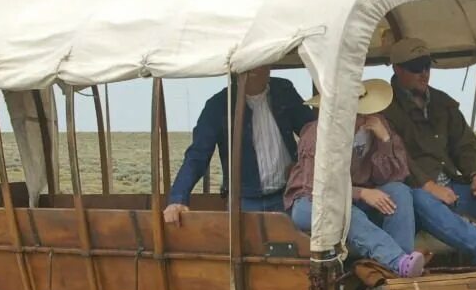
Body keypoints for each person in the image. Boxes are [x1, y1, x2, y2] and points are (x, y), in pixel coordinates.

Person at [379, 37, 476, 268]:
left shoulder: (441, 103)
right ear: (398, 69)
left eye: (427, 66)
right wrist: (429, 186)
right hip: (414, 193)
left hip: (451, 188)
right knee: (418, 198)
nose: (424, 73)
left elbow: (465, 144)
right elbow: (394, 155)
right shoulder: (385, 107)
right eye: (416, 68)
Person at [285, 79, 425, 278]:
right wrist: (362, 193)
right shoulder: (316, 134)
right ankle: (397, 261)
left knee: (399, 191)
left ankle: (401, 264)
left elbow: (393, 176)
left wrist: (385, 140)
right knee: (346, 212)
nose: (362, 117)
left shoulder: (373, 128)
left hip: (349, 197)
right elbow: (316, 190)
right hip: (308, 202)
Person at [164, 67, 315, 222]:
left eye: (264, 62)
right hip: (244, 202)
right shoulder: (219, 106)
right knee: (247, 246)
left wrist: (302, 171)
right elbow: (197, 155)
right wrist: (178, 198)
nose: (261, 68)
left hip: (287, 197)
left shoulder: (284, 91)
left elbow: (311, 132)